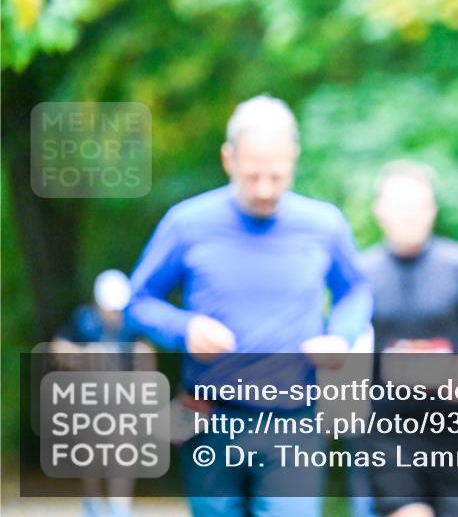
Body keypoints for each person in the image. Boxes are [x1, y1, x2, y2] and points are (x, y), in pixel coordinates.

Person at [124, 95, 373, 517]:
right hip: (208, 420)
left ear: (293, 157)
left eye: (276, 176)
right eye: (252, 175)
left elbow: (357, 291)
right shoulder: (187, 223)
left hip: (294, 422)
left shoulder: (324, 224)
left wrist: (340, 336)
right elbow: (137, 302)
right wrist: (182, 328)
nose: (264, 190)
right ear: (228, 159)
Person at [355, 160, 458, 517]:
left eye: (417, 206)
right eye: (399, 206)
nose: (409, 216)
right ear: (380, 211)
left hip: (451, 428)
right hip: (385, 428)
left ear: (432, 210)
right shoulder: (361, 274)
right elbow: (341, 348)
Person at [52, 269, 153, 517]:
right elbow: (58, 347)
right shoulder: (83, 319)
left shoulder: (133, 322)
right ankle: (93, 503)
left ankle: (120, 507)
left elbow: (146, 356)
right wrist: (84, 356)